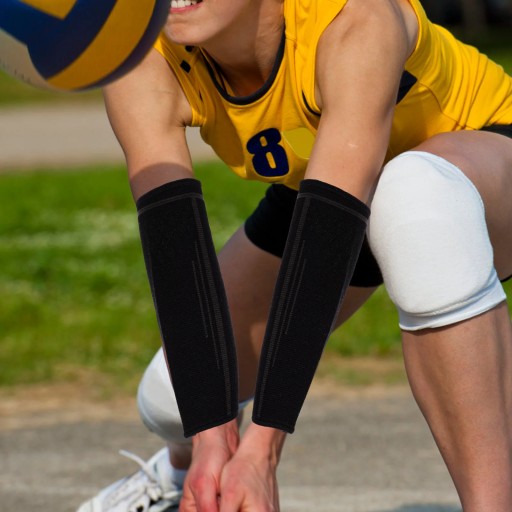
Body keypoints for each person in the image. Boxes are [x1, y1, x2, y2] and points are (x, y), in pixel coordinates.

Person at [77, 0, 512, 510]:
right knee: (174, 398)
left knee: (415, 196)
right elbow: (174, 246)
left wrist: (261, 450)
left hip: (474, 166)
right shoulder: (138, 51)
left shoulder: (354, 18)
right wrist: (214, 440)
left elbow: (328, 237)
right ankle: (179, 475)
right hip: (328, 183)